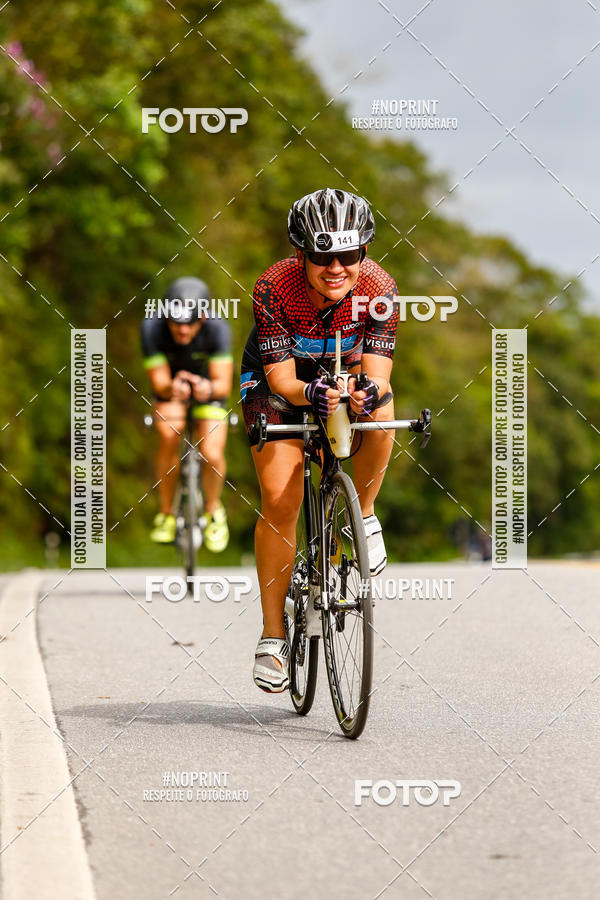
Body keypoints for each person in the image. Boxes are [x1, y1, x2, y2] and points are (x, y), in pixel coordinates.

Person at [240, 188, 399, 692]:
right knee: (281, 499)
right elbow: (285, 383)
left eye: (347, 255)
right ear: (301, 253)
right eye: (322, 255)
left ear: (363, 254)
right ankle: (272, 636)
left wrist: (363, 393)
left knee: (383, 408)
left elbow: (379, 374)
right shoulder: (274, 287)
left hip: (343, 368)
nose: (336, 267)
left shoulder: (379, 288)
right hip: (279, 380)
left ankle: (365, 513)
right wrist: (314, 392)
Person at [141, 276, 233, 552]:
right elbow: (159, 383)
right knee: (168, 435)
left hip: (208, 391)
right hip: (171, 391)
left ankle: (213, 510)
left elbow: (223, 384)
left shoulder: (218, 328)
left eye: (189, 324)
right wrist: (173, 386)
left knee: (213, 452)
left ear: (202, 318)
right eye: (175, 323)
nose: (182, 331)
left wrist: (205, 387)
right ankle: (167, 514)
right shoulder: (152, 327)